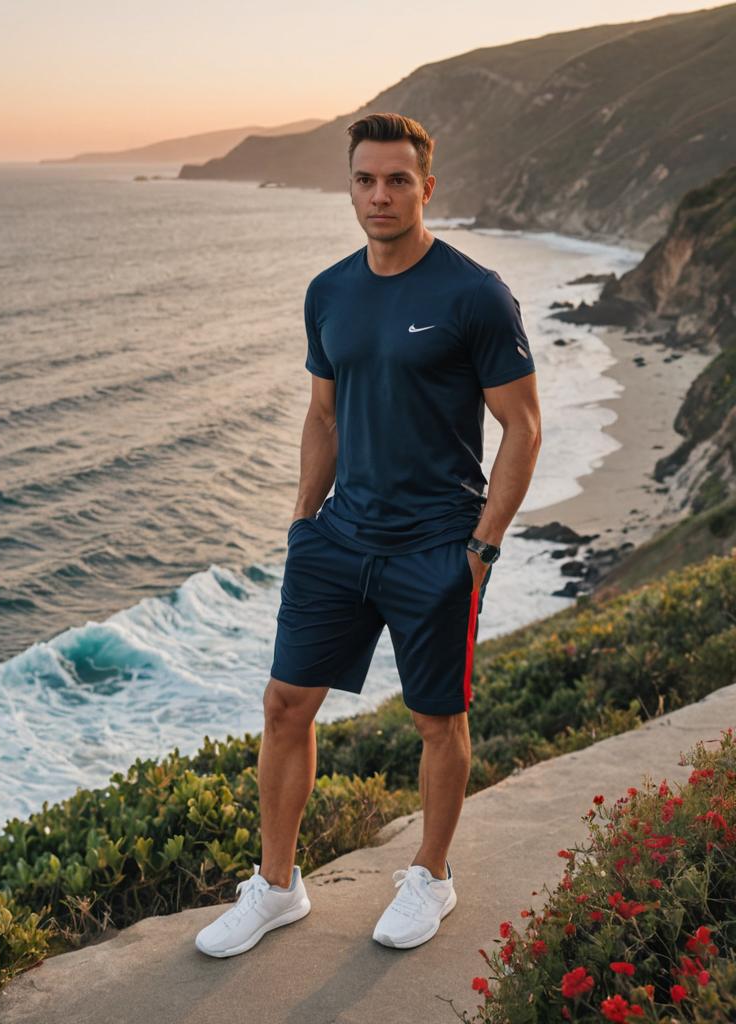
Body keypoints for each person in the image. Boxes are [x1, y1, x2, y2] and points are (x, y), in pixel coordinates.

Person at [195, 112, 541, 959]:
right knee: (285, 706)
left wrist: (482, 549)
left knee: (436, 718)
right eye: (364, 180)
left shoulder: (475, 294)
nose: (379, 195)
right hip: (338, 540)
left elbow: (523, 428)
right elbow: (323, 414)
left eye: (396, 180)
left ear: (428, 187)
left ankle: (431, 876)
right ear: (347, 185)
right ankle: (278, 888)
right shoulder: (329, 291)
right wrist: (301, 523)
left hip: (436, 546)